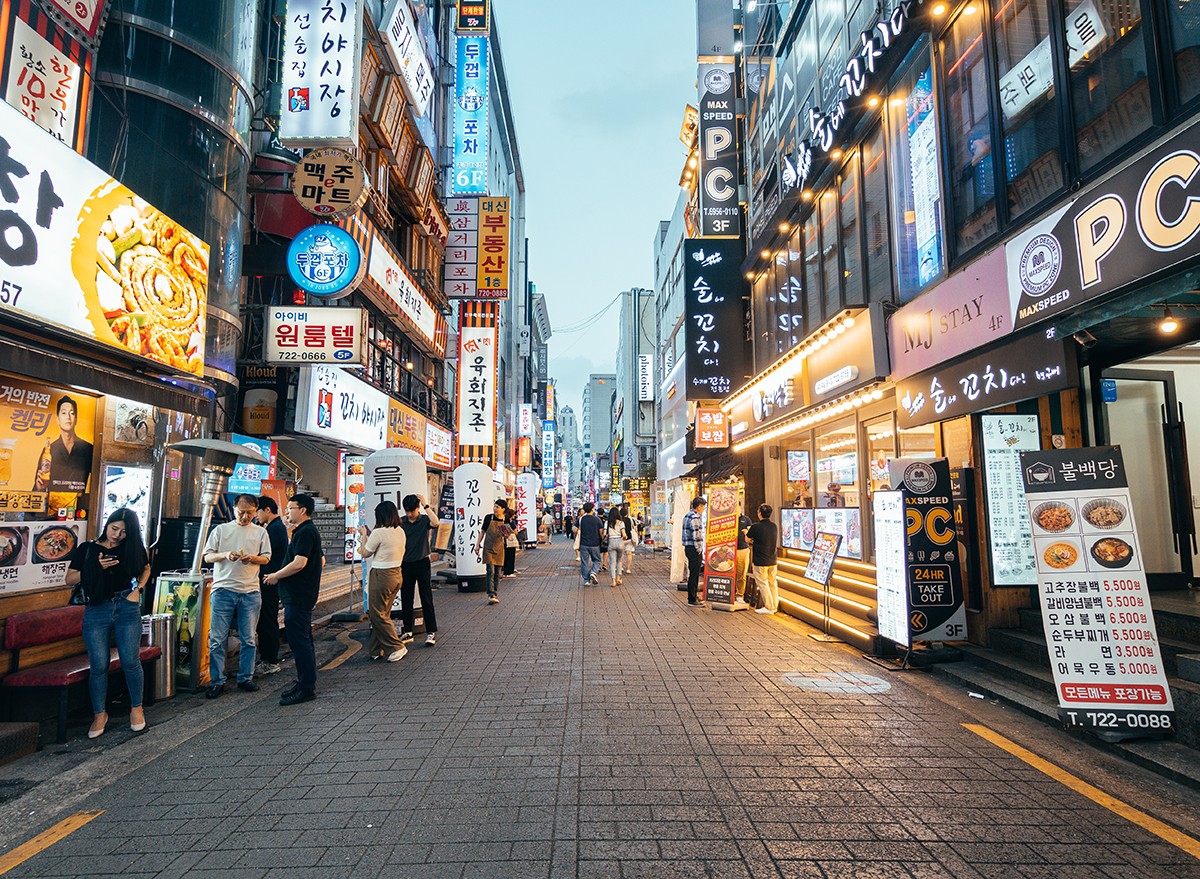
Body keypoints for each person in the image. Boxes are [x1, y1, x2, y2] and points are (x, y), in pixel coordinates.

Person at [65, 508, 151, 738]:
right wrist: (94, 567)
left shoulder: (132, 549)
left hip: (126, 606)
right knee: (99, 664)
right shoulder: (88, 549)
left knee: (130, 660)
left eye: (123, 532)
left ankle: (136, 708)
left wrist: (138, 591)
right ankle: (99, 714)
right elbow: (69, 579)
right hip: (96, 609)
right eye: (114, 529)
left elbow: (146, 568)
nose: (117, 535)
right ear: (107, 524)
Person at [202, 494, 271, 698]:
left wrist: (252, 558)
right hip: (223, 590)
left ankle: (245, 678)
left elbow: (266, 558)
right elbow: (207, 556)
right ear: (234, 509)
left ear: (256, 511)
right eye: (241, 512)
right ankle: (217, 681)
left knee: (248, 638)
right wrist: (225, 555)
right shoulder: (221, 530)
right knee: (217, 638)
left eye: (250, 513)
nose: (245, 516)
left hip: (250, 591)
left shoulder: (260, 532)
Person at [263, 494, 324, 705]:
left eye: (290, 508)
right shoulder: (303, 531)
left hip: (298, 596)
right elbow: (321, 560)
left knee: (299, 642)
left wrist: (276, 576)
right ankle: (304, 682)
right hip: (299, 595)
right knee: (302, 640)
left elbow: (299, 563)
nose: (287, 511)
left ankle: (306, 687)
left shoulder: (306, 532)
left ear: (303, 510)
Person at [358, 501, 407, 662]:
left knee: (376, 613)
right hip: (396, 574)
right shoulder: (400, 531)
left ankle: (397, 647)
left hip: (381, 575)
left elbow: (365, 553)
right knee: (382, 612)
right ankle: (376, 648)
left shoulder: (379, 533)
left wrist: (364, 535)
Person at [398, 494, 439, 647]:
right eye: (407, 511)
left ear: (417, 508)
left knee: (426, 597)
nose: (409, 514)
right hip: (405, 563)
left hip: (422, 562)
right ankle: (408, 631)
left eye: (412, 511)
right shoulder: (401, 522)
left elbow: (436, 522)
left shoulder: (423, 520)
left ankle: (431, 632)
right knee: (406, 597)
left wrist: (426, 505)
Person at [33, 395, 94, 495]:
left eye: (72, 413)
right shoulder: (49, 450)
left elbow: (99, 481)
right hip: (52, 507)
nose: (68, 417)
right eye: (64, 413)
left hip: (79, 508)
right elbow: (36, 491)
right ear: (57, 419)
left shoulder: (88, 449)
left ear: (76, 420)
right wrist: (40, 488)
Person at [254, 496, 288, 675]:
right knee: (266, 620)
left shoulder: (274, 530)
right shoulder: (274, 528)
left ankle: (270, 660)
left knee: (267, 621)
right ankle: (267, 658)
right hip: (269, 580)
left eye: (256, 511)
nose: (255, 516)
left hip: (269, 581)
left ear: (267, 510)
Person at [746, 504, 780, 614]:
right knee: (772, 583)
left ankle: (769, 607)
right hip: (773, 560)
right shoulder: (774, 526)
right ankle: (775, 605)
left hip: (760, 560)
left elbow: (747, 539)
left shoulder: (756, 526)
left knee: (763, 584)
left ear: (760, 513)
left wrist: (746, 532)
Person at [475, 499, 509, 604]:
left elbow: (507, 535)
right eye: (494, 506)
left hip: (499, 548)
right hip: (488, 547)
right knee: (490, 571)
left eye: (497, 507)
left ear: (503, 509)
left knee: (497, 573)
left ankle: (495, 592)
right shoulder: (488, 517)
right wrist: (477, 545)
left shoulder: (505, 519)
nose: (495, 509)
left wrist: (505, 533)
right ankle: (491, 594)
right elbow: (483, 531)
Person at [682, 497, 707, 607]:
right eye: (703, 507)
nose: (703, 510)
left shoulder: (687, 515)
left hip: (688, 547)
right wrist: (699, 549)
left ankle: (693, 596)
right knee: (694, 574)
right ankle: (692, 599)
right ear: (699, 506)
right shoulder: (695, 517)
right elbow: (696, 535)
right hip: (694, 548)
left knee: (693, 573)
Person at [576, 501, 603, 585]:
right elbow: (601, 532)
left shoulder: (581, 519)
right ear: (592, 509)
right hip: (595, 543)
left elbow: (574, 530)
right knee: (597, 560)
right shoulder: (597, 519)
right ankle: (593, 572)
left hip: (583, 544)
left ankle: (586, 581)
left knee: (584, 562)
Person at [735, 509, 753, 604]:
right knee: (728, 573)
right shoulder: (729, 519)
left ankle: (740, 595)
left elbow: (751, 535)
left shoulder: (746, 519)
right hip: (729, 550)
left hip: (742, 549)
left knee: (741, 574)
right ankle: (729, 593)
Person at [502, 507, 519, 577]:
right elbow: (516, 532)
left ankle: (505, 572)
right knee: (511, 557)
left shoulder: (504, 521)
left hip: (505, 541)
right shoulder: (512, 522)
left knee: (506, 557)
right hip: (511, 541)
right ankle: (510, 572)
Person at [621, 504, 637, 574]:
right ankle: (628, 569)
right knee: (629, 553)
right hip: (630, 538)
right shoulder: (631, 520)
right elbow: (635, 528)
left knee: (621, 554)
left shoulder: (619, 521)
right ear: (626, 513)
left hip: (621, 538)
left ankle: (620, 567)